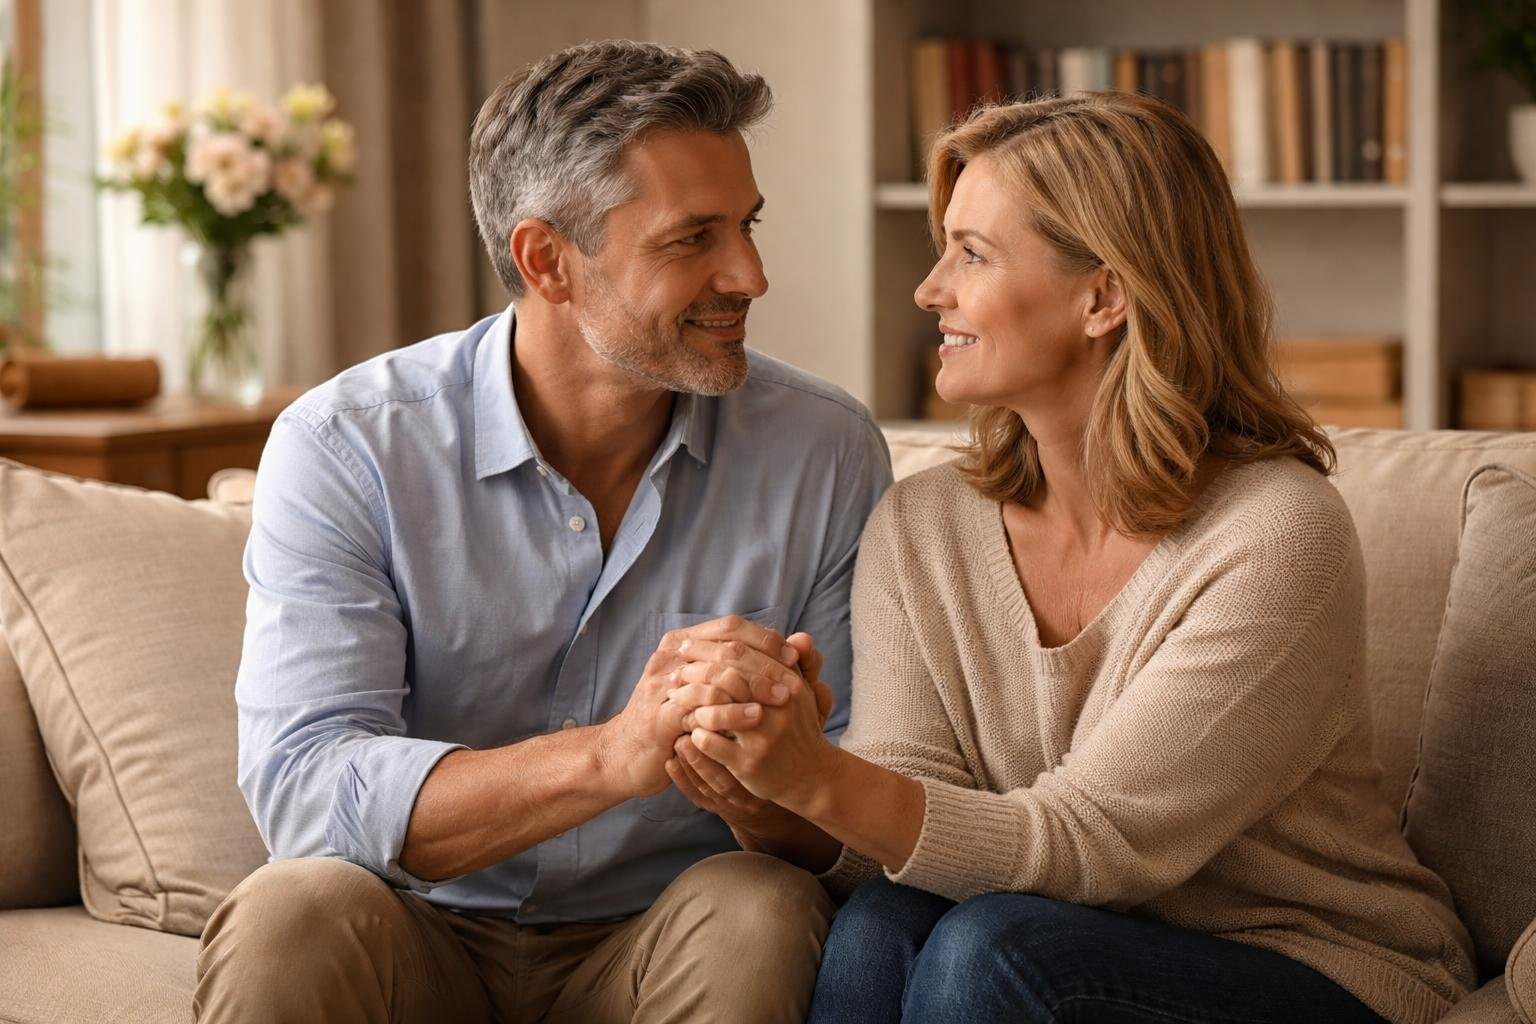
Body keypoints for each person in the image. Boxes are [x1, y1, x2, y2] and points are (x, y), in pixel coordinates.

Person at [662, 92, 1477, 1024]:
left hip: (1309, 966)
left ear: (1104, 296)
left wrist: (818, 776)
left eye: (972, 253)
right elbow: (913, 817)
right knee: (885, 921)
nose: (931, 290)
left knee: (992, 952)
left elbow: (1095, 846)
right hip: (1049, 938)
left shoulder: (1275, 535)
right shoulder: (925, 524)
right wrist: (767, 798)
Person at [194, 40, 891, 1024]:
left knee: (761, 903)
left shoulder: (823, 450)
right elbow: (306, 792)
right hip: (418, 929)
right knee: (292, 908)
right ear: (547, 261)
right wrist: (615, 755)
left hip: (664, 934)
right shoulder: (349, 445)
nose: (751, 275)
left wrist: (772, 784)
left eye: (747, 226)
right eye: (694, 238)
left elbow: (859, 827)